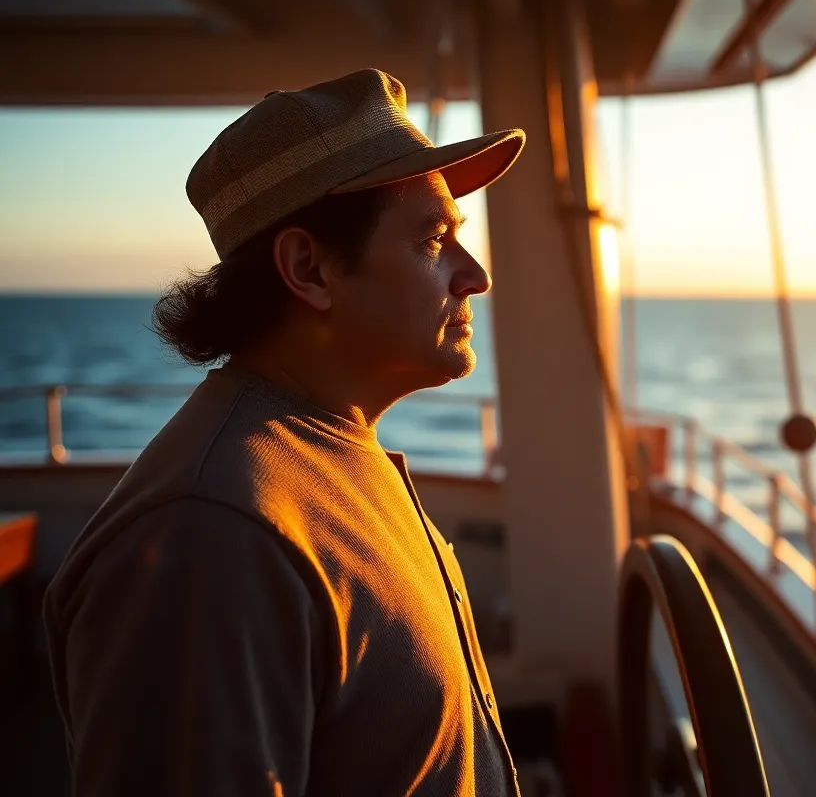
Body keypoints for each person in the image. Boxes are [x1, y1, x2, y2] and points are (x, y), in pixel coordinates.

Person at [42, 68, 525, 796]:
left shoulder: (329, 450)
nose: (475, 275)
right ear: (309, 269)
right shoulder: (212, 537)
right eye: (434, 239)